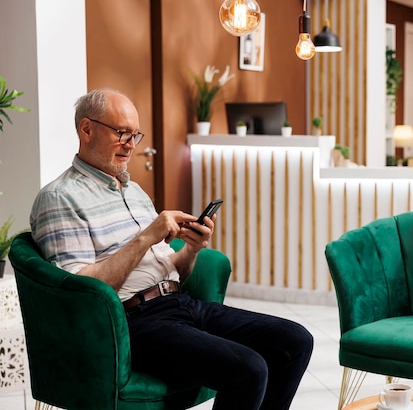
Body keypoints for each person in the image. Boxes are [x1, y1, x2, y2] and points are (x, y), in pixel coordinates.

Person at [29, 88, 313, 410]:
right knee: (249, 368)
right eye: (121, 132)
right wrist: (147, 236)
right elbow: (82, 292)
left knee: (295, 341)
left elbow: (172, 269)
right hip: (133, 321)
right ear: (86, 129)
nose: (130, 144)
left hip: (181, 304)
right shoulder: (60, 197)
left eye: (135, 134)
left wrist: (191, 250)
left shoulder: (133, 190)